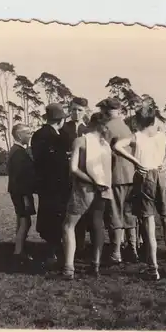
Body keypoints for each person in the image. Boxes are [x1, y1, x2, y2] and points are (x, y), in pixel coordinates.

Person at [114, 106, 166, 280]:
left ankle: (153, 267)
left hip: (145, 176)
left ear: (137, 120)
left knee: (148, 222)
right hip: (162, 175)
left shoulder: (136, 136)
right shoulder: (162, 136)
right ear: (154, 120)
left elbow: (117, 146)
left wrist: (134, 161)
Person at [62, 112, 113, 279]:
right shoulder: (106, 145)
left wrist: (91, 181)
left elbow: (74, 168)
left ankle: (69, 267)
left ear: (92, 124)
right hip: (103, 189)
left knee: (69, 226)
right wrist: (100, 182)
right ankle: (96, 264)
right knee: (97, 225)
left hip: (84, 189)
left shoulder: (80, 141)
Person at [97, 97, 139, 264]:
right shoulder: (126, 126)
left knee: (115, 214)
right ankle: (133, 249)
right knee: (129, 214)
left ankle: (116, 252)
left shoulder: (107, 128)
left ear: (107, 110)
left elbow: (102, 152)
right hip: (131, 175)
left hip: (115, 176)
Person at [31, 103, 72, 263]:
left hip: (46, 184)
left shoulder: (38, 134)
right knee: (55, 216)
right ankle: (53, 250)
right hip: (56, 183)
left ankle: (52, 248)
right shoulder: (55, 137)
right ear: (60, 120)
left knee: (49, 215)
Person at [61, 97, 92, 257]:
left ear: (85, 111)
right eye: (73, 109)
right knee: (68, 212)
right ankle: (67, 245)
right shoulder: (63, 129)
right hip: (66, 176)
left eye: (80, 110)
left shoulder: (88, 130)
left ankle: (81, 246)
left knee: (84, 212)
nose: (76, 113)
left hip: (84, 176)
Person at [7, 124, 36, 266]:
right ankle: (18, 252)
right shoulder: (19, 153)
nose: (30, 135)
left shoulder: (15, 151)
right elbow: (21, 176)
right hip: (22, 192)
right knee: (26, 221)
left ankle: (18, 250)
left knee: (21, 221)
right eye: (28, 133)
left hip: (18, 191)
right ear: (19, 135)